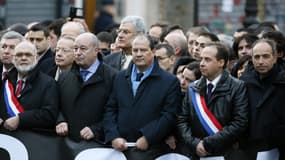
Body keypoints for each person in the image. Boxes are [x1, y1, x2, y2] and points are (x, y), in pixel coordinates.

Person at [104, 34, 181, 160]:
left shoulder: (169, 81)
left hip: (152, 150)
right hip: (119, 148)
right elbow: (110, 109)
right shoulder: (120, 77)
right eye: (135, 50)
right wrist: (113, 136)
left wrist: (148, 137)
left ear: (153, 52)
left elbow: (169, 115)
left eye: (143, 50)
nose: (139, 54)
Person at [177, 42, 248, 159]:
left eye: (207, 60)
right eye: (201, 59)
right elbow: (182, 120)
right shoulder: (193, 87)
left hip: (225, 153)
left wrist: (207, 144)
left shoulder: (237, 87)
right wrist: (195, 143)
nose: (202, 64)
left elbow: (240, 122)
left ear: (221, 62)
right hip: (196, 152)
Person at [55, 32, 117, 159]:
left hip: (98, 147)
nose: (77, 53)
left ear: (96, 50)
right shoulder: (65, 76)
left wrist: (96, 129)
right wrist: (60, 120)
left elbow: (117, 111)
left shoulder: (113, 77)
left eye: (83, 49)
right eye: (75, 48)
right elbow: (55, 105)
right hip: (67, 146)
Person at [240, 39, 285, 160]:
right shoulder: (244, 83)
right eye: (257, 57)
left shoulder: (282, 82)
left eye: (266, 56)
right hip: (250, 148)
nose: (261, 61)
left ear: (275, 58)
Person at [0, 41, 58, 130]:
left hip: (32, 139)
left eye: (28, 55)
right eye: (19, 55)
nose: (23, 58)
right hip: (6, 139)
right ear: (14, 59)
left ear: (36, 58)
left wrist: (21, 119)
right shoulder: (6, 80)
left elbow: (49, 114)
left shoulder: (48, 83)